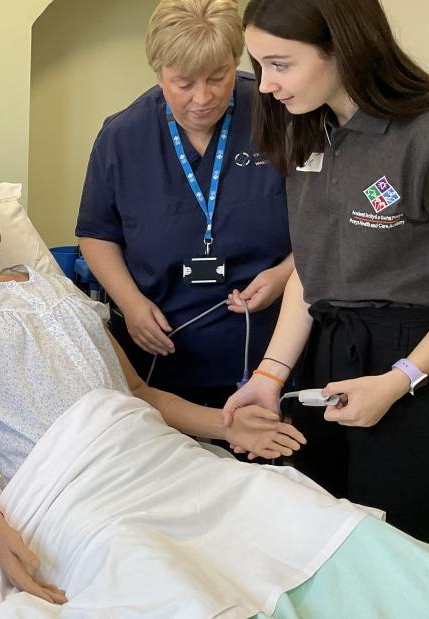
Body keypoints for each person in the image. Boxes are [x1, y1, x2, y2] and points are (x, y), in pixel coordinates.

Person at [0, 150, 429, 617]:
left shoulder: (61, 292)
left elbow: (138, 394)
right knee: (173, 583)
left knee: (310, 519)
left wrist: (226, 421)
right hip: (70, 490)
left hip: (158, 458)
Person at [224, 0, 429, 544]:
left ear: (342, 45)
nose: (264, 87)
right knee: (308, 545)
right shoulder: (311, 129)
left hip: (415, 367)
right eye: (259, 66)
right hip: (325, 356)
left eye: (280, 65)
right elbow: (313, 269)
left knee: (384, 556)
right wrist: (268, 376)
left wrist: (399, 379)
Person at [76, 0, 293, 408]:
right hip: (162, 348)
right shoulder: (123, 137)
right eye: (184, 83)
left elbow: (324, 222)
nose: (203, 98)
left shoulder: (279, 114)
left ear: (236, 61)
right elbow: (96, 235)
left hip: (268, 347)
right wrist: (132, 304)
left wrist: (284, 273)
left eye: (218, 77)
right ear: (159, 73)